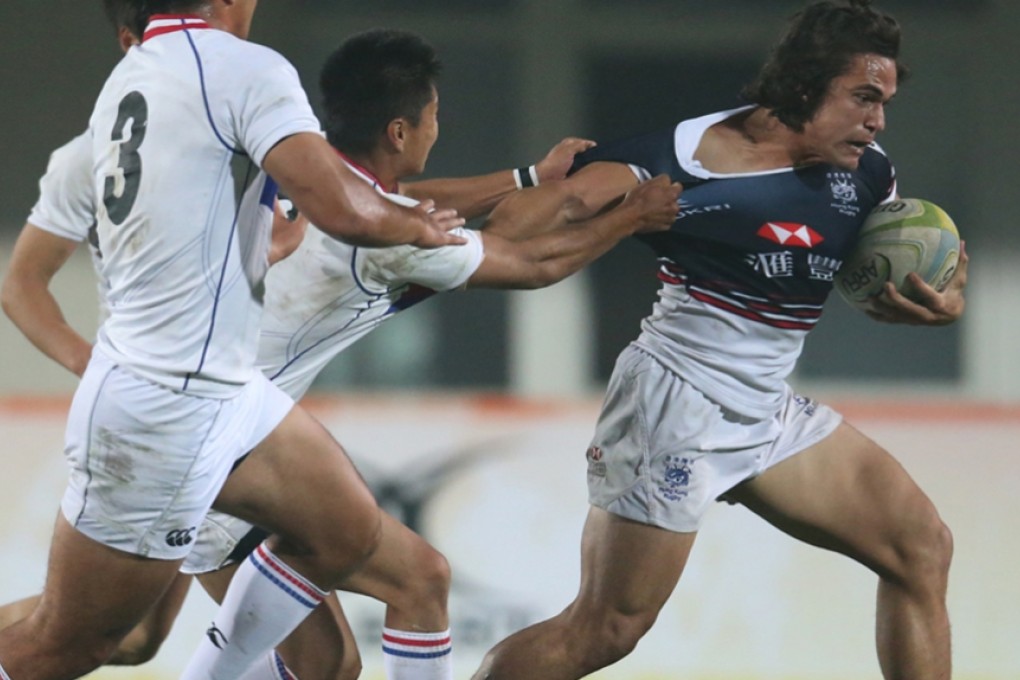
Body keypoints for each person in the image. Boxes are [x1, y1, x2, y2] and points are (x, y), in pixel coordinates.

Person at [0, 13, 680, 680]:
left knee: (320, 613)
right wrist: (631, 218)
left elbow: (394, 197)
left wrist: (524, 178)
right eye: (435, 116)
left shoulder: (268, 155)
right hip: (198, 424)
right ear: (400, 128)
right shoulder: (285, 131)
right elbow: (527, 262)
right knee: (92, 641)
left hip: (238, 407)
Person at [470, 1, 968, 679]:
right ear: (802, 85)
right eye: (863, 97)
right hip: (675, 403)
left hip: (766, 411)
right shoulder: (683, 156)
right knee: (606, 629)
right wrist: (532, 204)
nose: (878, 119)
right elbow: (527, 223)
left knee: (921, 547)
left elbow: (909, 257)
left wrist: (942, 300)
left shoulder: (867, 171)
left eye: (883, 101)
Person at [0, 0, 471, 676]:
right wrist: (415, 226)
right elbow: (343, 202)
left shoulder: (131, 100)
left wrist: (250, 253)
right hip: (170, 400)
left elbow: (199, 228)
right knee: (80, 643)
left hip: (224, 394)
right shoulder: (240, 70)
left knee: (382, 559)